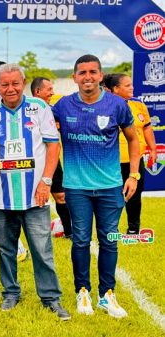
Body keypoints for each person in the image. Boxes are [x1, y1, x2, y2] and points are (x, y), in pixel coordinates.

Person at [52, 55, 140, 318]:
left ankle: (107, 295)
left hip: (111, 186)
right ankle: (83, 292)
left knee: (109, 241)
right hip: (76, 187)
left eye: (92, 72)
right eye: (82, 72)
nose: (87, 77)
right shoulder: (63, 106)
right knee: (79, 240)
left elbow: (134, 141)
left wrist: (133, 174)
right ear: (74, 77)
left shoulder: (118, 105)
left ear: (101, 75)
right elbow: (42, 133)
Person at [0, 63, 70, 320]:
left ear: (23, 82)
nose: (10, 89)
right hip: (1, 196)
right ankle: (10, 292)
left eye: (15, 83)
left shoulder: (39, 108)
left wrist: (46, 181)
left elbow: (53, 147)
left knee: (42, 249)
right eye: (4, 84)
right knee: (6, 249)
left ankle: (51, 297)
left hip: (35, 195)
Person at [0, 60, 29, 262]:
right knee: (0, 206)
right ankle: (4, 245)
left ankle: (16, 247)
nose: (9, 88)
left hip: (1, 161)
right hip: (0, 161)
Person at [102, 73, 157, 234]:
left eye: (131, 84)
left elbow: (146, 127)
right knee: (112, 197)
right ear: (115, 89)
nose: (132, 88)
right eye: (127, 86)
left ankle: (133, 230)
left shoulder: (138, 105)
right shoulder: (105, 108)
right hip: (112, 161)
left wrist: (152, 149)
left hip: (135, 160)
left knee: (134, 195)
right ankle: (110, 229)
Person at [31, 77, 72, 239]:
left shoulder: (53, 111)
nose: (52, 92)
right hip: (31, 163)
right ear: (37, 91)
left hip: (53, 161)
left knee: (61, 196)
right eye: (49, 89)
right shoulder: (25, 111)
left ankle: (70, 232)